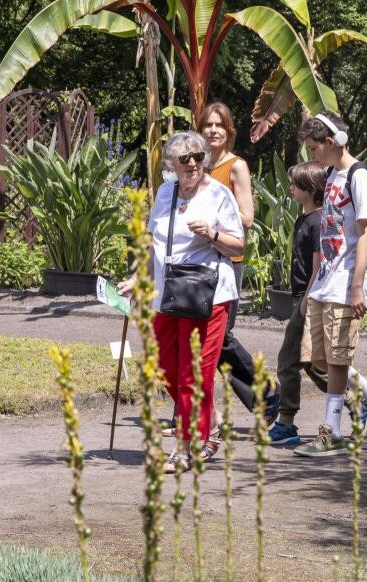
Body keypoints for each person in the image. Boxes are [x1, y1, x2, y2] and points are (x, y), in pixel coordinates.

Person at [117, 130, 244, 474]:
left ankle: (183, 449)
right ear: (172, 163)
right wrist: (139, 277)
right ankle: (211, 420)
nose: (192, 164)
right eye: (184, 159)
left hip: (208, 295)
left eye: (198, 157)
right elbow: (154, 242)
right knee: (163, 366)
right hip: (168, 293)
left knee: (194, 373)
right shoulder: (165, 192)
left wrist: (212, 235)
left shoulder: (219, 195)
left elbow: (239, 246)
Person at [294, 112, 367, 457]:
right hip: (325, 281)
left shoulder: (359, 177)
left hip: (346, 282)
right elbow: (328, 233)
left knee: (337, 360)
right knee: (318, 358)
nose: (311, 156)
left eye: (313, 148)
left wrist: (356, 288)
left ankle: (332, 431)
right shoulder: (331, 175)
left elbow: (365, 233)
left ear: (331, 142)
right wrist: (312, 288)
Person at [198, 102, 281, 423]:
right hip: (198, 262)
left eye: (220, 125)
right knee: (207, 337)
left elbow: (246, 218)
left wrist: (212, 223)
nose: (214, 130)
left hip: (227, 259)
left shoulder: (236, 167)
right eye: (208, 125)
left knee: (220, 336)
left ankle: (266, 391)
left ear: (229, 131)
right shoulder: (197, 167)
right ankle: (262, 396)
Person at [268, 161, 329, 446]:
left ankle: (286, 422)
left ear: (311, 188)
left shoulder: (319, 221)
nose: (290, 187)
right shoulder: (303, 218)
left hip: (309, 298)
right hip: (300, 298)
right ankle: (357, 404)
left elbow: (318, 267)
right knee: (310, 362)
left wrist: (306, 302)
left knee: (288, 359)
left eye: (295, 184)